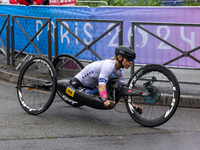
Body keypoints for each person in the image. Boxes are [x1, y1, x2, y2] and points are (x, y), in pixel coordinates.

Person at [70, 45, 143, 112]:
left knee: (106, 93)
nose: (131, 62)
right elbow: (102, 85)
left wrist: (133, 106)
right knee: (93, 96)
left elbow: (123, 91)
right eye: (129, 58)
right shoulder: (108, 66)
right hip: (79, 82)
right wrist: (105, 100)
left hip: (91, 86)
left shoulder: (120, 71)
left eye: (132, 60)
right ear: (120, 57)